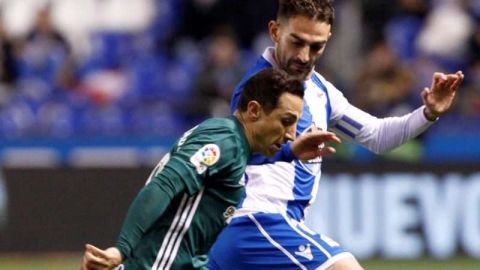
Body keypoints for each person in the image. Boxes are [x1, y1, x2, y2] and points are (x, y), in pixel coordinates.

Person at [207, 0, 464, 269]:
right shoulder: (257, 88)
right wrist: (291, 150)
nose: (304, 56)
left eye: (316, 46)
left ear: (328, 40)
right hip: (256, 222)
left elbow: (376, 135)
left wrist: (428, 112)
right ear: (275, 32)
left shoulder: (319, 89)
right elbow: (240, 151)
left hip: (267, 229)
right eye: (296, 42)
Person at [80, 68, 342, 270]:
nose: (290, 134)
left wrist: (290, 153)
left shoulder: (233, 144)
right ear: (253, 110)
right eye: (286, 121)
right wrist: (121, 249)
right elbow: (163, 186)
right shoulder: (223, 142)